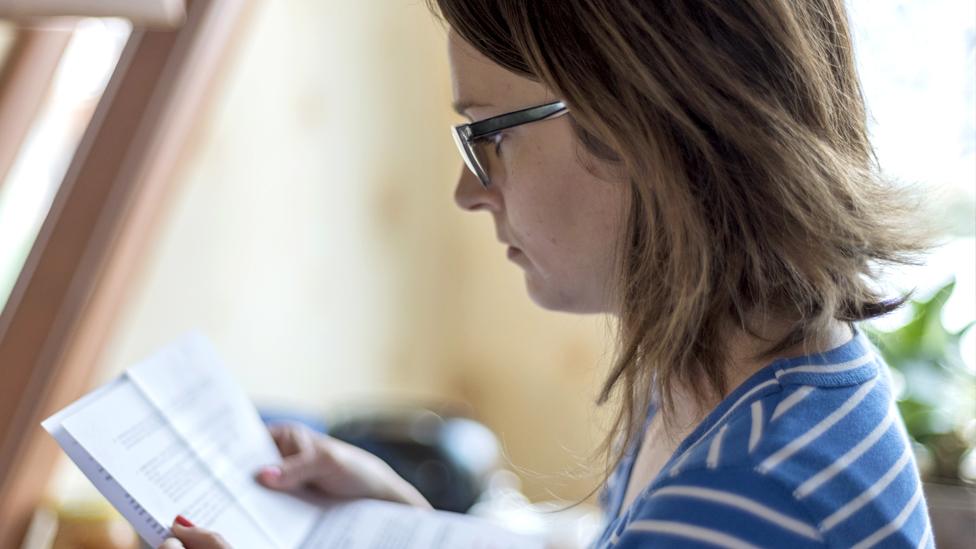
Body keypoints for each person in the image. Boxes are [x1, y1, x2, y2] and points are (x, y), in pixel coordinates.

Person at [161, 1, 935, 547]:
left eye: (488, 132)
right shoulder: (734, 383)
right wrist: (399, 518)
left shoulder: (752, 493)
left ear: (640, 122)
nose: (469, 190)